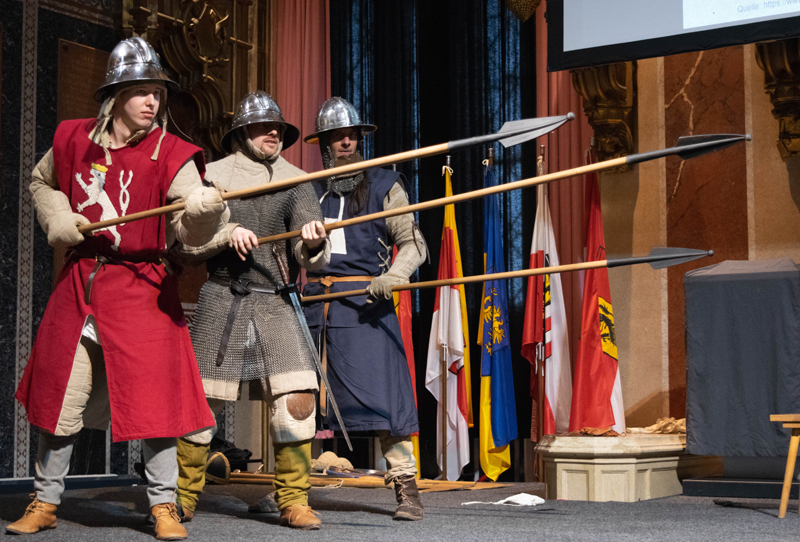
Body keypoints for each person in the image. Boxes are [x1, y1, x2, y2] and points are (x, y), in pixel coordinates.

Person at [9, 37, 227, 540]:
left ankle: (164, 505)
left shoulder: (173, 153)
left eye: (158, 93)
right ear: (116, 94)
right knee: (61, 400)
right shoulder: (73, 139)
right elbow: (42, 181)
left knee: (154, 404)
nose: (153, 101)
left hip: (143, 289)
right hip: (81, 286)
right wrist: (59, 217)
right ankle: (45, 501)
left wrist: (202, 212)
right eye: (143, 91)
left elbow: (189, 227)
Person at [173, 91, 330, 530]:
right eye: (263, 126)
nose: (273, 132)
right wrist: (226, 232)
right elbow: (184, 242)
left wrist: (313, 243)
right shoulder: (211, 177)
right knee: (199, 406)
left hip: (276, 300)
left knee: (298, 400)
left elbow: (307, 254)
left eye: (277, 126)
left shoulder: (297, 180)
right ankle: (181, 496)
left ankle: (293, 499)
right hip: (223, 297)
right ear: (242, 132)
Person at [302, 97, 427, 521]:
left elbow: (413, 243)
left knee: (385, 400)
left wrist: (395, 275)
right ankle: (291, 490)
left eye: (352, 135)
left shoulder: (384, 184)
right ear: (324, 143)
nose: (346, 142)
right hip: (315, 309)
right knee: (300, 401)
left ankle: (407, 488)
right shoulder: (307, 189)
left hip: (365, 306)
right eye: (337, 136)